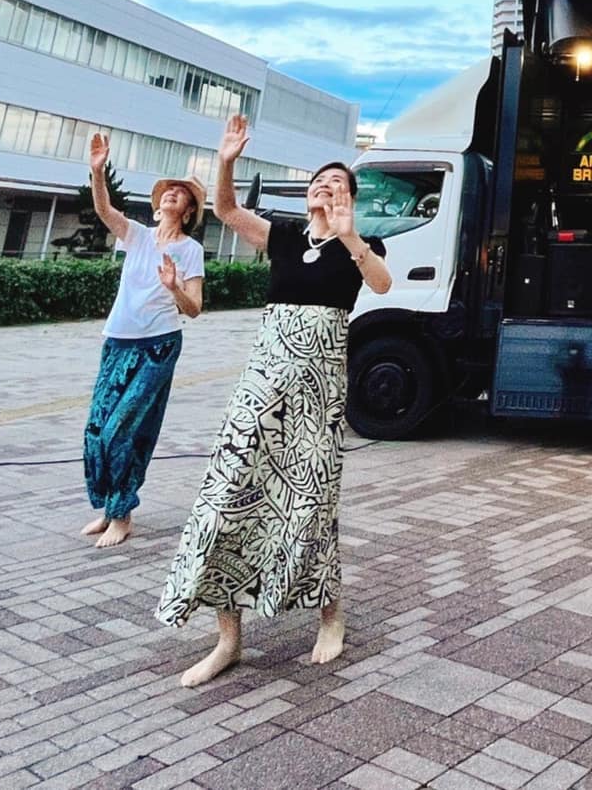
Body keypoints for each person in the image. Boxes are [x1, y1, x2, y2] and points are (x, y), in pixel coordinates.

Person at [157, 115, 392, 687]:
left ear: (350, 198)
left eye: (337, 183)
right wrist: (226, 161)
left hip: (318, 395)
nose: (326, 186)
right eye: (319, 181)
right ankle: (228, 639)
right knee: (227, 495)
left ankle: (330, 616)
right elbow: (227, 210)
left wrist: (350, 235)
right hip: (263, 384)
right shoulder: (284, 236)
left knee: (311, 504)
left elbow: (382, 284)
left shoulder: (361, 246)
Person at [79, 131, 206, 550]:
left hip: (158, 346)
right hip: (117, 341)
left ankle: (122, 515)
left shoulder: (190, 250)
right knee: (97, 430)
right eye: (168, 190)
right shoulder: (136, 234)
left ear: (188, 210)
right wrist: (98, 171)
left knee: (123, 430)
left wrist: (174, 286)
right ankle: (109, 506)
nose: (172, 193)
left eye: (181, 193)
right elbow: (104, 209)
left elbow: (194, 308)